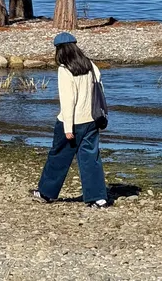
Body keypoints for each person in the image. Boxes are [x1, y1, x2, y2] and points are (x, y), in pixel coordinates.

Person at [30, 32, 109, 208]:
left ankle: (46, 193)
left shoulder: (65, 70)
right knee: (91, 159)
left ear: (60, 51)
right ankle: (98, 198)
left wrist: (67, 128)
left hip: (72, 122)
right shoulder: (91, 65)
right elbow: (100, 89)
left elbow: (68, 101)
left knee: (58, 157)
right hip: (92, 120)